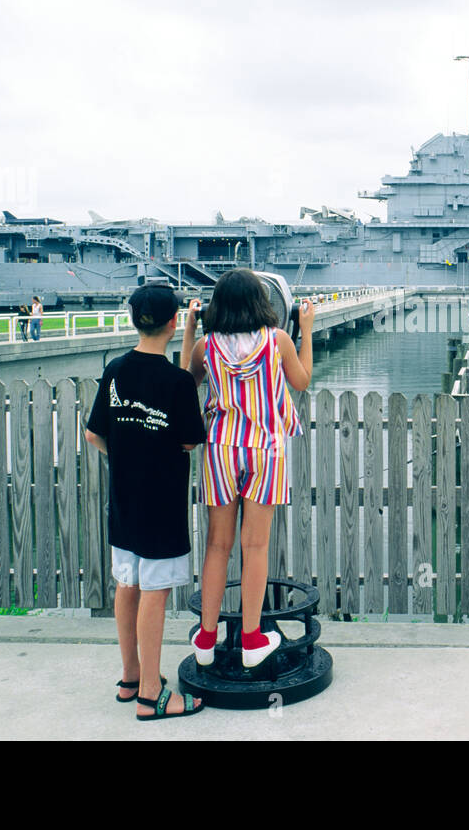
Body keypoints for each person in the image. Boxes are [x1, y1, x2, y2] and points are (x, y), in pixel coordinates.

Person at [85, 284, 207, 721]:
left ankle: (130, 677)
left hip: (124, 501)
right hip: (162, 505)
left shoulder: (115, 369)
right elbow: (191, 440)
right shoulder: (176, 382)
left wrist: (127, 455)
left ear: (134, 319)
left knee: (127, 584)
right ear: (174, 323)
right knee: (155, 591)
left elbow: (94, 434)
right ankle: (152, 696)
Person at [181, 268, 313, 670]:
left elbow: (188, 380)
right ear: (262, 302)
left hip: (221, 448)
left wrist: (190, 328)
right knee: (254, 546)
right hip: (265, 449)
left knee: (217, 546)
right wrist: (306, 330)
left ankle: (206, 637)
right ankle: (254, 639)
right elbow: (302, 381)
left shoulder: (207, 347)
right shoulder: (279, 341)